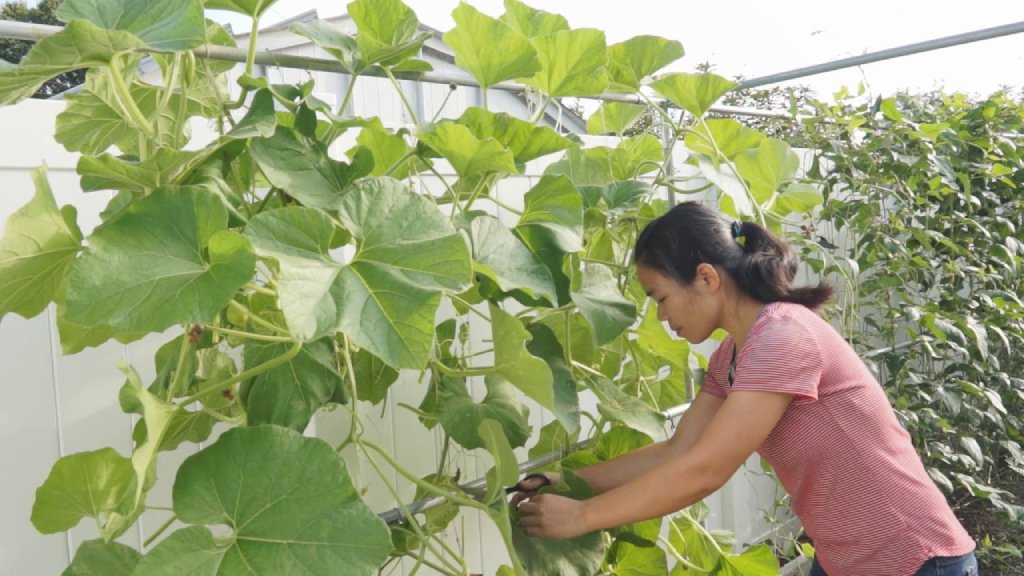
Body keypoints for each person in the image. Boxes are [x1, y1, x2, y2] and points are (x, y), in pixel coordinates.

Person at [514, 202, 977, 576]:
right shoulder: (733, 355)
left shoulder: (783, 336)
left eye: (660, 297)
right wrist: (572, 485)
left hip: (914, 557)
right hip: (846, 559)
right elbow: (679, 451)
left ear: (707, 278)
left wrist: (582, 518)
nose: (659, 316)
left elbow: (705, 471)